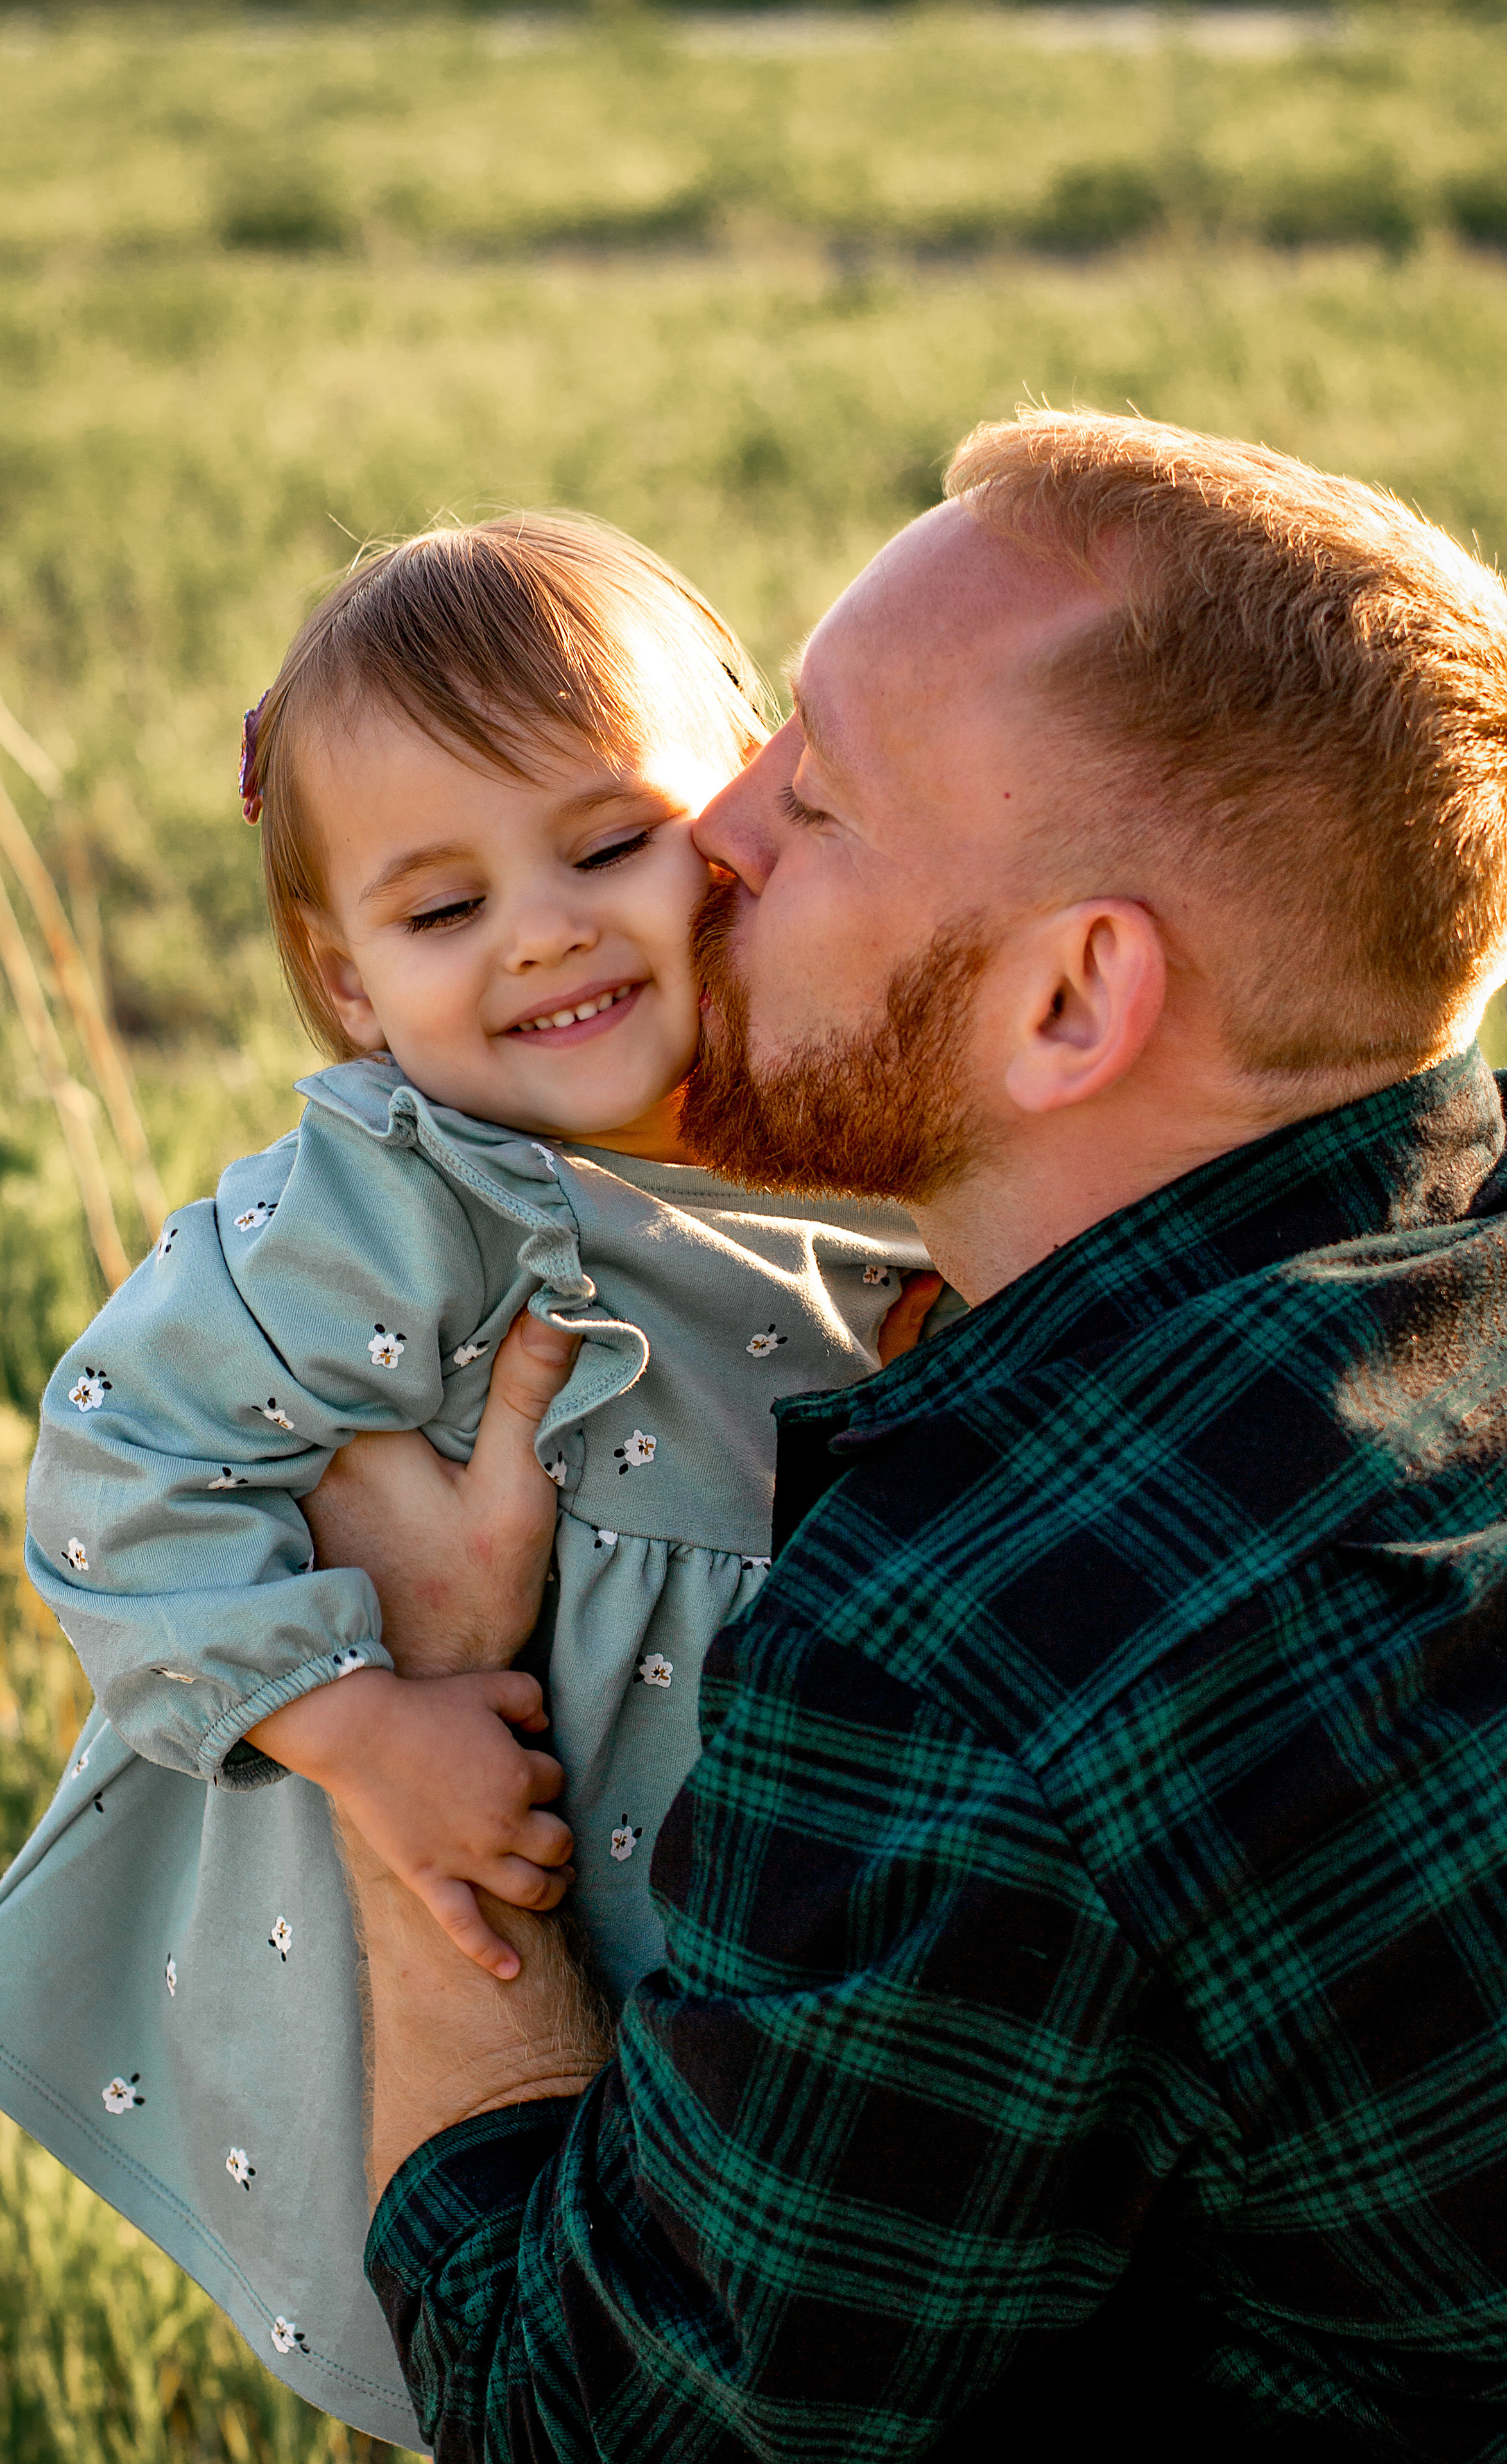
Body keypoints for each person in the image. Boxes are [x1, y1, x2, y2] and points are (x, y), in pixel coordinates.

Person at [320, 412, 1507, 2460]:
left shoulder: (968, 1659)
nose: (717, 831)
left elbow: (574, 2422)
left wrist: (423, 1682)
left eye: (829, 794)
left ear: (1072, 1006)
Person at [0, 514, 949, 2448]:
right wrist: (362, 1723)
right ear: (349, 979)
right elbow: (119, 1470)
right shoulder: (403, 1207)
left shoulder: (832, 1113)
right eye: (441, 909)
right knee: (562, 2295)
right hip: (524, 1840)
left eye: (603, 843)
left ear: (737, 816)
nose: (544, 933)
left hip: (781, 1885)